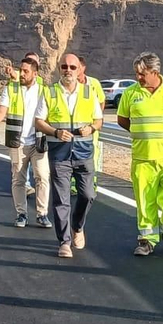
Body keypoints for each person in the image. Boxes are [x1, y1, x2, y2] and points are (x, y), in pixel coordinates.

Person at [116, 52, 163, 256]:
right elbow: (122, 119)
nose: (138, 77)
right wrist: (141, 134)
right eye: (136, 73)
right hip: (143, 158)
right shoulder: (130, 93)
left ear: (155, 72)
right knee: (144, 199)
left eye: (142, 73)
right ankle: (147, 240)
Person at [36, 54, 102, 258]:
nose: (68, 70)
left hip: (84, 152)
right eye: (64, 66)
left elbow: (98, 120)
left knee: (88, 195)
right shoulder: (49, 92)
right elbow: (39, 121)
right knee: (61, 199)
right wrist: (55, 132)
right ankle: (64, 242)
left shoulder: (89, 92)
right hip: (59, 154)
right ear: (59, 69)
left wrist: (91, 128)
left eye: (73, 67)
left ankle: (77, 226)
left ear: (80, 69)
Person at [0, 53, 51, 228]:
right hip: (17, 142)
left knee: (42, 177)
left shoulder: (44, 90)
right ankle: (21, 214)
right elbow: (1, 112)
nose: (22, 74)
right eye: (21, 70)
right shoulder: (11, 89)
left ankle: (42, 214)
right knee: (18, 179)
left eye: (26, 71)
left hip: (38, 141)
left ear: (35, 74)